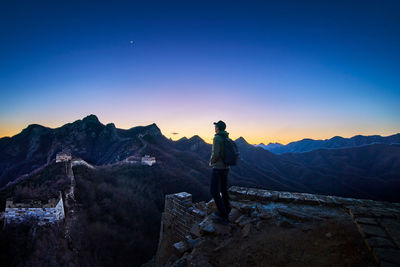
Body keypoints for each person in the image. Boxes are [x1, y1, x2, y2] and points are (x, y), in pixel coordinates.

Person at [209, 120, 231, 224]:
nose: (214, 128)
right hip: (226, 167)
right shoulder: (226, 137)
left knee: (214, 190)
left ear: (218, 128)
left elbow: (216, 153)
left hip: (218, 167)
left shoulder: (217, 138)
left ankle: (223, 215)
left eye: (215, 126)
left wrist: (211, 163)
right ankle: (227, 209)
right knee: (224, 189)